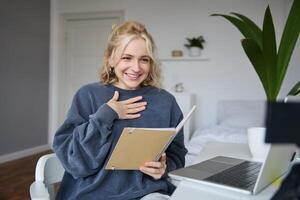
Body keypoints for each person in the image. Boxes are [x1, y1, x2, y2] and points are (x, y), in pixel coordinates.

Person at [53, 21, 187, 200]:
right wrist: (107, 114)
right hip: (92, 194)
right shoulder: (88, 95)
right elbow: (75, 163)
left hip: (148, 193)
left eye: (144, 59)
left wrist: (164, 168)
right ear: (110, 58)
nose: (136, 67)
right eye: (127, 58)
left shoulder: (165, 101)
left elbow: (176, 154)